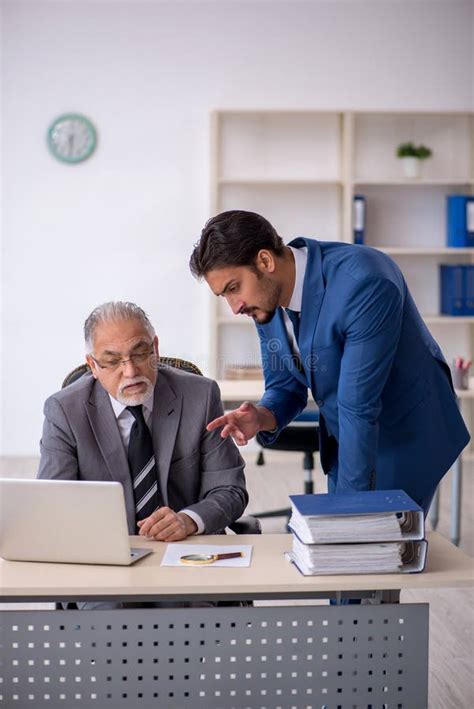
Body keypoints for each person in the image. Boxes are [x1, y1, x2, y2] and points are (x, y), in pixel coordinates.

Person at [190, 210, 470, 515]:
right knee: (346, 548)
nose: (234, 307)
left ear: (265, 261)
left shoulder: (364, 281)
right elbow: (285, 387)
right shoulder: (265, 302)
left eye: (233, 288)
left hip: (405, 432)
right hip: (348, 434)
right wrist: (261, 415)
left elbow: (358, 404)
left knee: (379, 548)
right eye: (224, 296)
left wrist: (348, 512)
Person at [38, 301, 248, 541]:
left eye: (139, 354)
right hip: (105, 550)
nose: (130, 372)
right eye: (113, 361)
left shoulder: (200, 396)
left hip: (187, 547)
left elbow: (230, 489)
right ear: (93, 365)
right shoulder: (64, 411)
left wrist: (188, 520)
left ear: (155, 349)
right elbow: (53, 503)